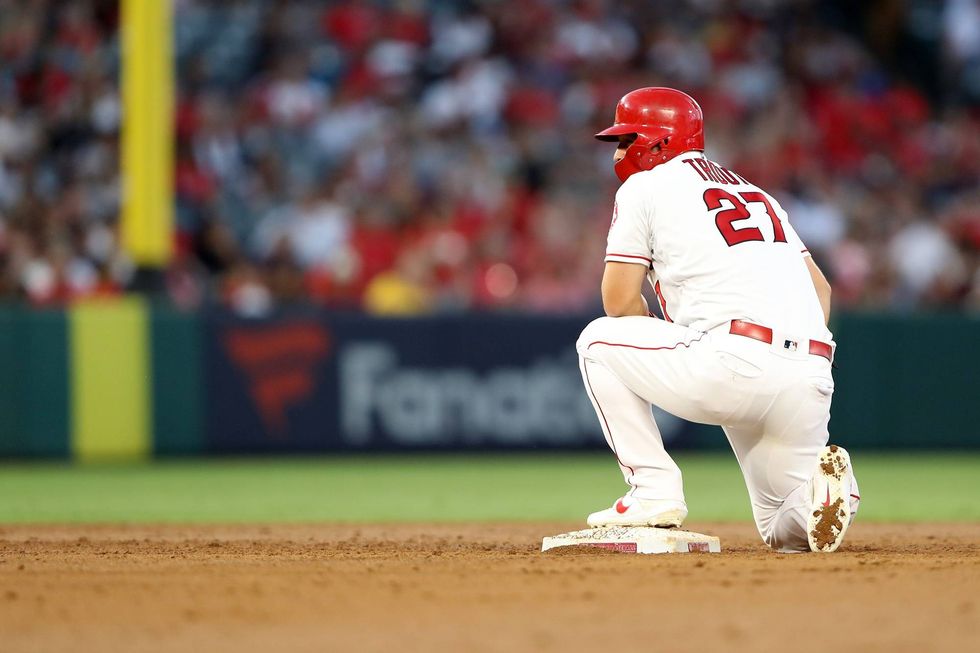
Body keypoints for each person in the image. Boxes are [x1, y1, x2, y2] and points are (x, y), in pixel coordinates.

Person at [577, 87, 860, 553]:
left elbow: (619, 301)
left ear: (658, 142)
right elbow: (822, 291)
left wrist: (676, 344)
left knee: (598, 342)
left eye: (626, 139)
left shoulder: (645, 186)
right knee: (785, 529)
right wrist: (794, 360)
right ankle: (834, 494)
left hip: (731, 359)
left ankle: (652, 491)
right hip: (810, 373)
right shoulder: (757, 193)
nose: (620, 152)